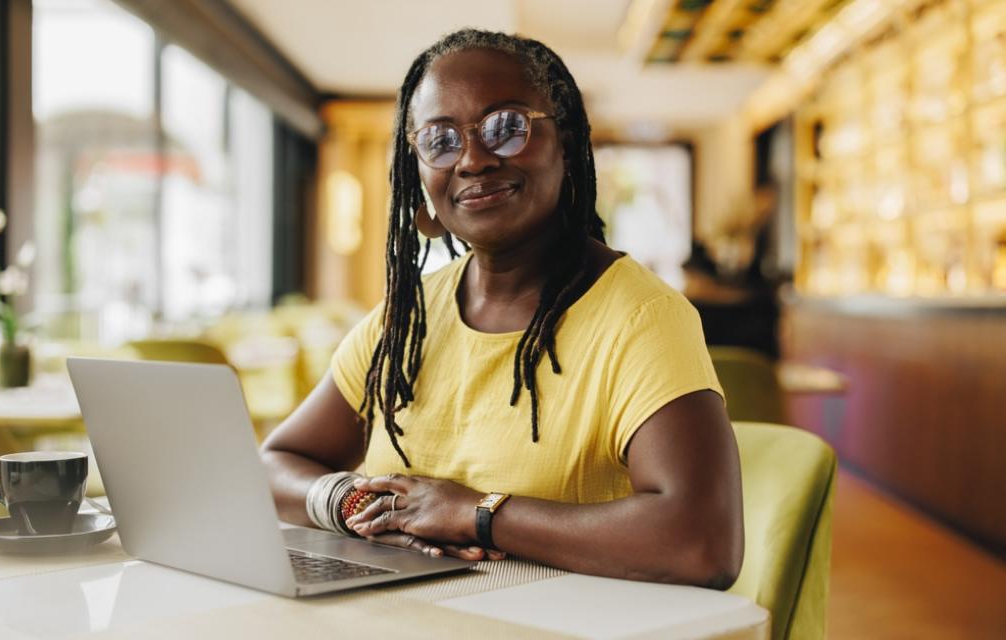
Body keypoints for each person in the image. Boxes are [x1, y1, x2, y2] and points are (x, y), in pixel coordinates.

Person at [261, 29, 743, 588]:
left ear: (564, 141)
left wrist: (477, 513)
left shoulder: (642, 317)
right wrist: (351, 504)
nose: (473, 159)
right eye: (440, 140)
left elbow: (701, 543)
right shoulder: (407, 317)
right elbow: (275, 462)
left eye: (506, 128)